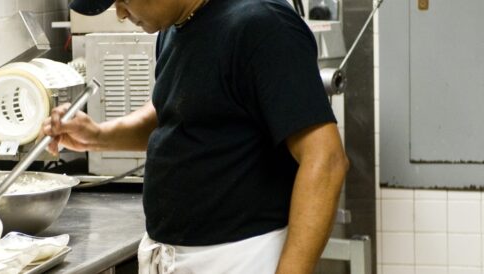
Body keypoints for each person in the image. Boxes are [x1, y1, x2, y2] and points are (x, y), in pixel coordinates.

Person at [42, 0, 350, 273]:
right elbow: (176, 113)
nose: (120, 13)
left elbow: (326, 160)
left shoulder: (262, 24)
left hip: (239, 258)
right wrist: (97, 135)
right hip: (173, 255)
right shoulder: (175, 27)